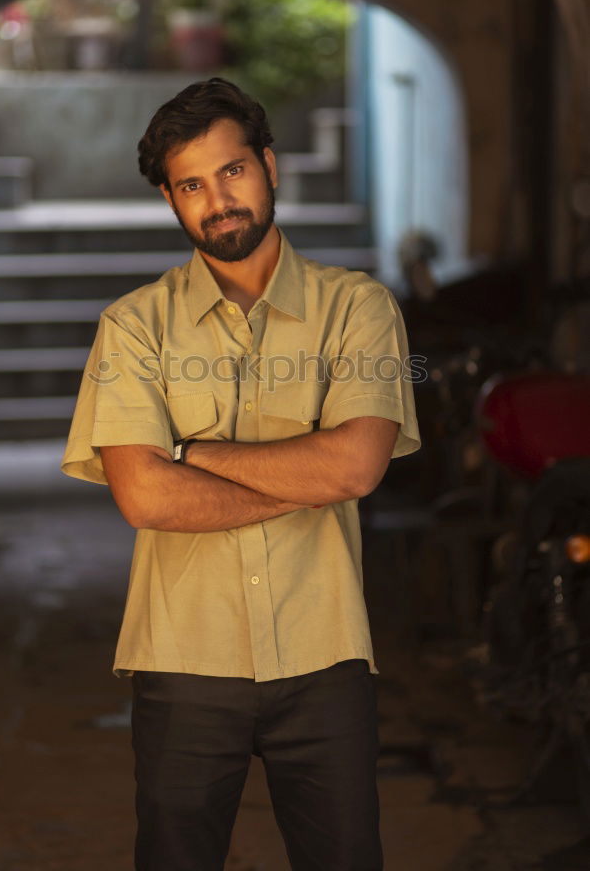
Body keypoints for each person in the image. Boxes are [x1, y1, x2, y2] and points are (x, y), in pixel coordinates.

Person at [61, 77, 421, 870]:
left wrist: (196, 454)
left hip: (325, 658)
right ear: (170, 199)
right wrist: (304, 476)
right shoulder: (132, 327)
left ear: (270, 165)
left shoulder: (356, 310)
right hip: (182, 663)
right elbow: (145, 496)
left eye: (232, 171)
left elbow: (357, 466)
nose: (216, 199)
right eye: (190, 184)